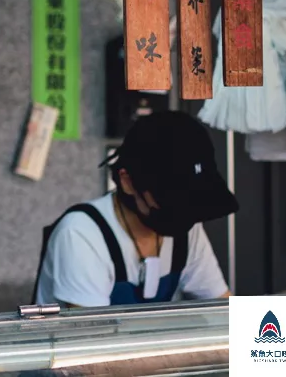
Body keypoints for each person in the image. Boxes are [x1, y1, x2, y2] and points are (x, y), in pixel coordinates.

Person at [33, 111, 239, 308]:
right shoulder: (81, 234)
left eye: (190, 201)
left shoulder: (186, 225)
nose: (182, 212)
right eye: (170, 199)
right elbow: (93, 335)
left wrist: (263, 340)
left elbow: (225, 308)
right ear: (127, 182)